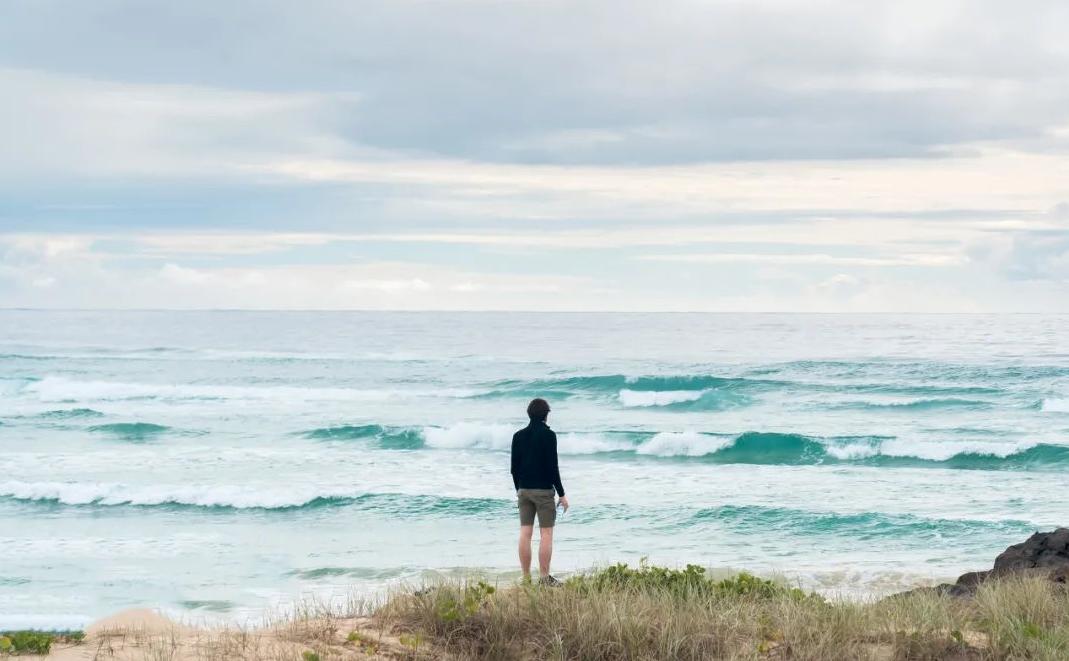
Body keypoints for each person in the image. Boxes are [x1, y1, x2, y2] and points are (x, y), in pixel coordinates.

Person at [511, 397, 569, 586]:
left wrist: (519, 489)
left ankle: (526, 578)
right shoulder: (549, 436)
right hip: (543, 491)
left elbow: (514, 468)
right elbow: (553, 468)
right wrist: (562, 494)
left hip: (523, 490)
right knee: (546, 534)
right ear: (546, 415)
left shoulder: (518, 436)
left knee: (525, 532)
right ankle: (544, 578)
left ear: (529, 414)